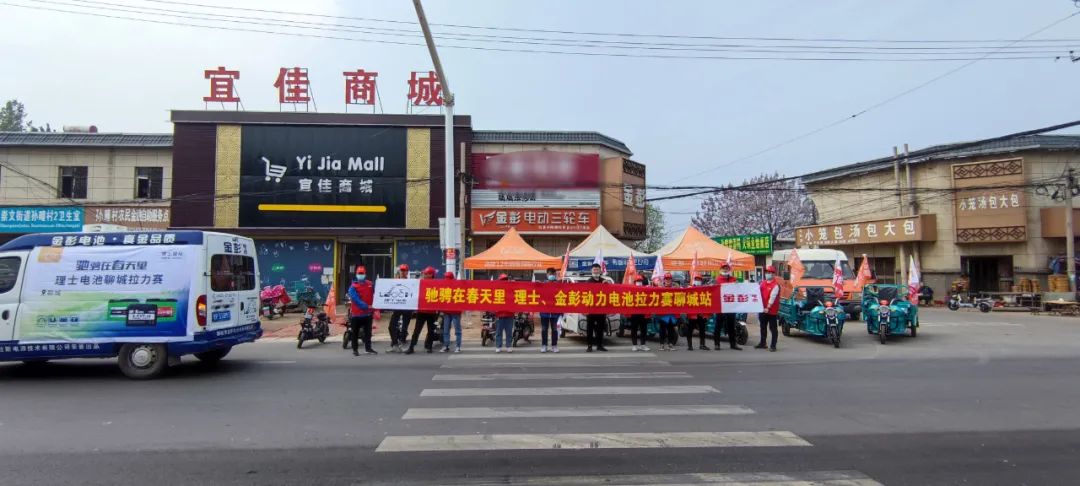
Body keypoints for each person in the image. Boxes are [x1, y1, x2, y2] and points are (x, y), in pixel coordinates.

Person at [406, 266, 439, 354]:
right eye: (424, 273)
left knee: (430, 330)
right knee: (418, 330)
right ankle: (412, 346)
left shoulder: (436, 284)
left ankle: (428, 346)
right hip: (422, 311)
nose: (424, 274)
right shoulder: (420, 282)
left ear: (431, 275)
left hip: (431, 312)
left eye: (426, 273)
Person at [347, 266, 377, 356]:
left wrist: (377, 307)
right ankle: (355, 349)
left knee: (368, 333)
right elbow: (356, 299)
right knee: (355, 333)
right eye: (359, 273)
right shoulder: (353, 287)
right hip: (356, 315)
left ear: (365, 274)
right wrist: (367, 306)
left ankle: (368, 348)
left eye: (362, 273)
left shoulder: (370, 284)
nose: (361, 275)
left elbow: (377, 294)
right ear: (356, 274)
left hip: (367, 314)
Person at [714, 263, 742, 350]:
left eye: (727, 268)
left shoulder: (734, 279)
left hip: (731, 306)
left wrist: (738, 285)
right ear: (721, 269)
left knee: (731, 325)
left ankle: (733, 344)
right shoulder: (717, 280)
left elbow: (739, 290)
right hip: (721, 306)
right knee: (718, 325)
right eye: (724, 268)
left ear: (729, 270)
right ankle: (717, 344)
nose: (725, 270)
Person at [583, 263, 609, 352]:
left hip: (601, 309)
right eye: (594, 269)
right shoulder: (588, 282)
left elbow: (609, 293)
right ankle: (589, 345)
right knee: (590, 328)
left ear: (600, 271)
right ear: (591, 271)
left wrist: (607, 285)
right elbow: (585, 295)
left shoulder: (604, 281)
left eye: (597, 269)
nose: (596, 271)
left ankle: (600, 345)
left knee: (600, 328)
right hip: (591, 309)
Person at [387, 264, 413, 353]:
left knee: (404, 329)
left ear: (407, 272)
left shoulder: (411, 283)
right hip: (397, 307)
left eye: (404, 270)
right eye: (401, 270)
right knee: (391, 327)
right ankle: (395, 344)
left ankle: (402, 344)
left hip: (407, 308)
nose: (403, 272)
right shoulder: (394, 282)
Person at [756, 265, 781, 352]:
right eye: (767, 272)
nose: (768, 274)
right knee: (763, 327)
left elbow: (772, 297)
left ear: (773, 274)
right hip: (762, 309)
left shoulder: (775, 285)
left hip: (771, 310)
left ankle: (773, 345)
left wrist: (768, 307)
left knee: (773, 328)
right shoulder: (762, 283)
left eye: (770, 272)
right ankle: (763, 343)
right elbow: (757, 292)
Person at [539, 267, 561, 353]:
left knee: (554, 329)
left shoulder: (559, 285)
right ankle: (544, 345)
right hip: (544, 312)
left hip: (555, 312)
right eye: (550, 274)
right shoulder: (542, 284)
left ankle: (554, 345)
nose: (551, 275)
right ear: (547, 274)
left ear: (555, 275)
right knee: (544, 329)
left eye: (553, 274)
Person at [441, 271, 463, 353]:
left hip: (455, 312)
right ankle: (446, 345)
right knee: (446, 330)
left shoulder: (457, 286)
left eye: (447, 278)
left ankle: (457, 346)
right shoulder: (444, 287)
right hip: (447, 312)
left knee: (456, 330)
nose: (445, 279)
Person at [686, 275, 709, 351]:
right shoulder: (690, 289)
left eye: (699, 280)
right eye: (696, 279)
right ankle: (690, 345)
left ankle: (702, 345)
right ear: (694, 280)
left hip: (701, 314)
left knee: (702, 329)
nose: (698, 281)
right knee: (690, 329)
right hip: (692, 314)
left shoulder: (704, 290)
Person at [493, 274, 515, 353]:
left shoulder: (511, 289)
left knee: (509, 332)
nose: (504, 281)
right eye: (502, 280)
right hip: (499, 315)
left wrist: (515, 284)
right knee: (498, 332)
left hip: (509, 314)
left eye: (505, 279)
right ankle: (498, 346)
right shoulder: (496, 290)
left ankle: (508, 346)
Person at [657, 273, 678, 351]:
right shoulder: (660, 289)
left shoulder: (675, 289)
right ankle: (661, 344)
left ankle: (670, 344)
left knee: (671, 330)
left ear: (671, 280)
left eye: (669, 279)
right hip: (663, 314)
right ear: (664, 280)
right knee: (662, 330)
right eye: (666, 279)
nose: (668, 280)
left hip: (671, 314)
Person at [628, 275, 650, 352]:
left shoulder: (646, 290)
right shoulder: (631, 290)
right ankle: (634, 345)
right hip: (634, 313)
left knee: (643, 329)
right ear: (635, 282)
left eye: (640, 281)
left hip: (643, 313)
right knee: (634, 329)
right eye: (637, 281)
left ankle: (643, 345)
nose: (639, 283)